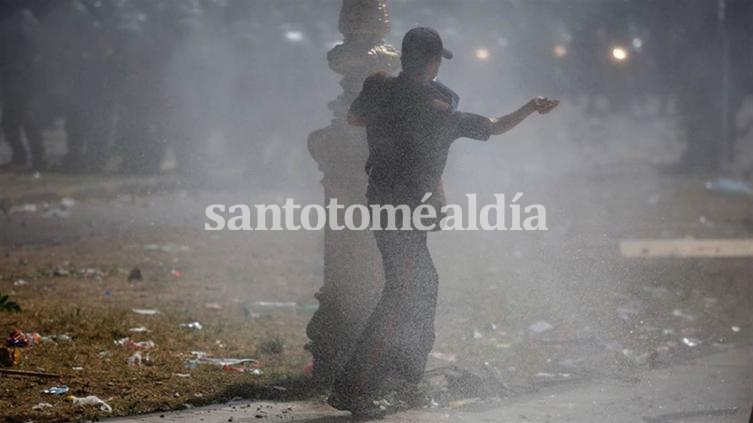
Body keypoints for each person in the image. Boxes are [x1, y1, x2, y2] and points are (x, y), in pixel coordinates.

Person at [327, 27, 558, 416]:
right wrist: (531, 107)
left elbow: (353, 119)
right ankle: (354, 386)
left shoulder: (379, 87)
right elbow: (495, 125)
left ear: (403, 58)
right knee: (402, 292)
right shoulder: (438, 108)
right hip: (404, 208)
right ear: (433, 62)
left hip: (383, 200)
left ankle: (404, 373)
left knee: (422, 285)